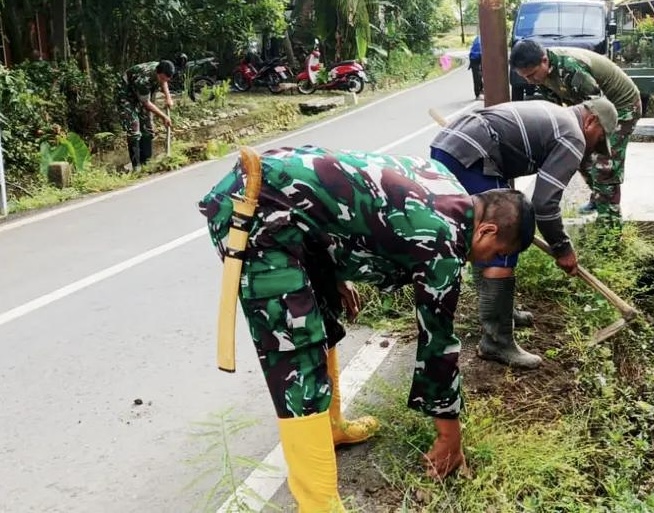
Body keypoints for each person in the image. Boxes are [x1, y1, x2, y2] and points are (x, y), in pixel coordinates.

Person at [198, 145, 538, 511]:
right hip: (255, 210)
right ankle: (319, 504)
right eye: (495, 252)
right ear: (486, 230)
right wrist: (449, 436)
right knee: (295, 354)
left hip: (292, 212)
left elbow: (354, 211)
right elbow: (437, 343)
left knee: (322, 313)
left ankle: (331, 427)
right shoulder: (443, 241)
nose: (488, 262)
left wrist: (332, 270)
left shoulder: (446, 182)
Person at [430, 98, 618, 368]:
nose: (593, 148)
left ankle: (500, 313)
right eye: (598, 139)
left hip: (451, 145)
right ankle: (496, 341)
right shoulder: (573, 136)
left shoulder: (557, 115)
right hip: (470, 154)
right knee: (503, 237)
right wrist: (563, 248)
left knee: (482, 234)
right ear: (591, 122)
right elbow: (545, 203)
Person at [509, 40, 642, 229]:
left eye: (531, 75)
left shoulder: (571, 68)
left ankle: (610, 224)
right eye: (525, 77)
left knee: (605, 164)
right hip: (591, 108)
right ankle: (599, 197)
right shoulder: (542, 75)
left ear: (544, 61)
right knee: (577, 152)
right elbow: (555, 111)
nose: (530, 81)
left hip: (621, 107)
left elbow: (598, 107)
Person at [115, 60, 175, 172]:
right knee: (134, 128)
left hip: (143, 94)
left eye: (166, 78)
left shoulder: (161, 69)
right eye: (162, 78)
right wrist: (164, 117)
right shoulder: (143, 79)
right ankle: (137, 166)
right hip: (126, 95)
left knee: (148, 126)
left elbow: (164, 81)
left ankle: (146, 163)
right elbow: (146, 103)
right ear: (157, 73)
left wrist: (168, 97)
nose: (164, 80)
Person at [468, 35, 483, 99]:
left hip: (477, 59)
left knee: (479, 76)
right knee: (477, 77)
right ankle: (477, 94)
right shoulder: (480, 40)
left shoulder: (479, 38)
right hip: (476, 59)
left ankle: (481, 90)